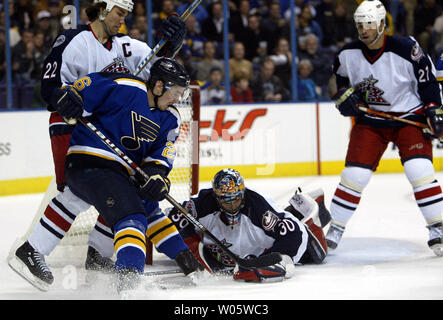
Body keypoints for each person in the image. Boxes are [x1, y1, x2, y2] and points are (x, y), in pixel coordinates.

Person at [8, 0, 188, 291]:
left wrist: (172, 42)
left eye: (126, 15)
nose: (122, 20)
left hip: (105, 129)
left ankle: (87, 252)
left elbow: (158, 69)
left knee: (115, 190)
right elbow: (49, 86)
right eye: (119, 13)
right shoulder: (74, 40)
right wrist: (60, 96)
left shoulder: (127, 46)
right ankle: (36, 249)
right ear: (102, 9)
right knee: (75, 189)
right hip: (71, 122)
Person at [326, 0, 443, 257]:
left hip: (409, 117)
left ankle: (438, 227)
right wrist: (343, 96)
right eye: (360, 25)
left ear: (381, 24)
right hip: (371, 122)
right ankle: (334, 228)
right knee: (354, 175)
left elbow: (428, 82)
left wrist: (434, 108)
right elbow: (339, 81)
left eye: (369, 24)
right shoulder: (348, 53)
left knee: (419, 169)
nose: (364, 30)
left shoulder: (406, 48)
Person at [167, 168, 331, 282]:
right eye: (226, 200)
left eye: (236, 198)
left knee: (318, 254)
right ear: (216, 197)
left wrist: (274, 259)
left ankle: (306, 208)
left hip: (267, 246)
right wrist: (189, 249)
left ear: (243, 193)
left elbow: (295, 233)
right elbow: (170, 218)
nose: (232, 205)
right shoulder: (204, 202)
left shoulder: (259, 208)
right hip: (235, 252)